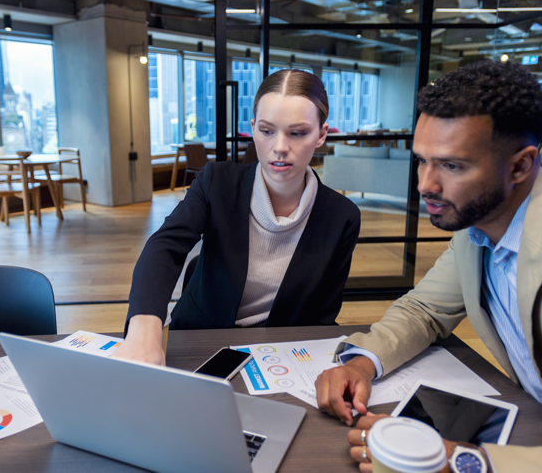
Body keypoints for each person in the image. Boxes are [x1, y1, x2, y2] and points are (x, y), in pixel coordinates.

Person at [315, 61, 542, 472]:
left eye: (452, 165)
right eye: (421, 160)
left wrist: (468, 463)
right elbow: (426, 309)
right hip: (539, 427)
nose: (425, 185)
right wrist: (362, 362)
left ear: (520, 166)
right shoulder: (479, 228)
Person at [114, 69, 361, 365]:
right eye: (267, 131)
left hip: (277, 354)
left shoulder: (341, 217)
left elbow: (320, 318)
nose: (280, 147)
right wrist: (143, 327)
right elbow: (165, 246)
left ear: (321, 135)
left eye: (298, 133)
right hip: (200, 338)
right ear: (253, 127)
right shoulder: (217, 182)